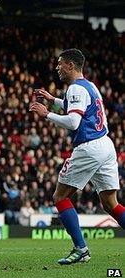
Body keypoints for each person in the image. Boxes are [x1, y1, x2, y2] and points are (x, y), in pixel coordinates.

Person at [30, 48, 125, 265]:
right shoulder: (89, 86)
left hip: (88, 147)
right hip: (106, 145)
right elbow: (75, 106)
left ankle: (81, 249)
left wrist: (47, 114)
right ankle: (81, 249)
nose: (57, 68)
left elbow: (74, 121)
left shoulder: (75, 89)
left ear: (71, 65)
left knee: (60, 197)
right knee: (111, 203)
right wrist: (53, 99)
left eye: (60, 64)